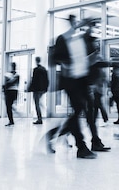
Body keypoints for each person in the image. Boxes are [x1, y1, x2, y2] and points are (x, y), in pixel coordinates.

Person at [44, 15, 102, 159]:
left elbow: (83, 61)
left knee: (79, 112)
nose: (78, 24)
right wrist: (66, 64)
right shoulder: (63, 39)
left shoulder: (81, 40)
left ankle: (52, 135)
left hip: (82, 80)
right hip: (70, 81)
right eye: (75, 22)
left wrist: (93, 58)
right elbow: (55, 59)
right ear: (70, 23)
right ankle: (81, 147)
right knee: (78, 111)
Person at [28, 57, 48, 125]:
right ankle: (41, 116)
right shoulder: (44, 69)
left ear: (36, 61)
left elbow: (34, 80)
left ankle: (39, 119)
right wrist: (46, 88)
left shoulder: (36, 70)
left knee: (37, 104)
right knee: (39, 103)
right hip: (42, 89)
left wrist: (29, 88)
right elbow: (47, 80)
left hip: (36, 89)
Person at [3, 62, 20, 126]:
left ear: (11, 66)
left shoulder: (7, 75)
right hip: (15, 91)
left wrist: (5, 90)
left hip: (9, 92)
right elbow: (17, 84)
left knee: (8, 106)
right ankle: (12, 119)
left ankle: (11, 121)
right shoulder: (17, 75)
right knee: (10, 105)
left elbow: (6, 84)